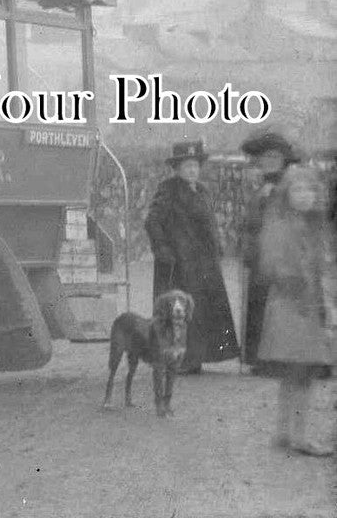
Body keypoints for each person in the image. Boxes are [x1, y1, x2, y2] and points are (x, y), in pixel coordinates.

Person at [256, 165, 336, 456]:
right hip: (291, 305)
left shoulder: (316, 227)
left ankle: (287, 432)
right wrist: (294, 281)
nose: (304, 196)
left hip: (310, 306)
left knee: (299, 373)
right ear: (286, 194)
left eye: (310, 190)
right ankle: (295, 435)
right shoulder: (280, 223)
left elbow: (323, 267)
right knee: (298, 371)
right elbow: (270, 263)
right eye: (297, 190)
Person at [144, 140, 241, 372]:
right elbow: (152, 221)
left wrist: (217, 244)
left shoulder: (203, 191)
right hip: (180, 264)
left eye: (195, 166)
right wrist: (163, 249)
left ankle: (198, 357)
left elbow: (208, 224)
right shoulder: (168, 190)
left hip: (205, 264)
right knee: (182, 312)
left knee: (203, 312)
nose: (192, 170)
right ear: (177, 169)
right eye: (187, 166)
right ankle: (181, 360)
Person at [237, 130, 301, 373]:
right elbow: (250, 223)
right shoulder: (259, 186)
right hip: (259, 257)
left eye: (275, 156)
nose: (271, 161)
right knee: (258, 307)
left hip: (282, 256)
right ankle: (259, 358)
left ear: (284, 159)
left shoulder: (291, 184)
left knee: (279, 307)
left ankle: (280, 359)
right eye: (266, 157)